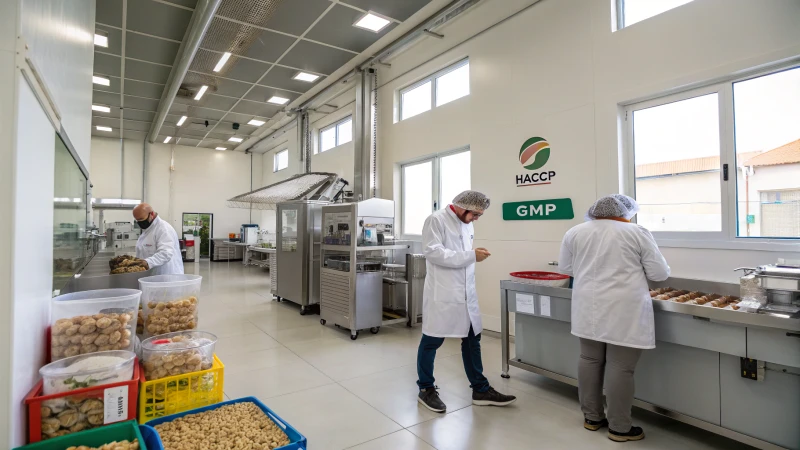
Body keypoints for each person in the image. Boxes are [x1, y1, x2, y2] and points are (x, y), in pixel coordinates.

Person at [558, 194, 670, 442]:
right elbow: (659, 273)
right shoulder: (636, 232)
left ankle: (592, 418)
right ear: (626, 211)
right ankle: (619, 427)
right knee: (621, 367)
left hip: (587, 303)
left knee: (588, 359)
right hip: (624, 308)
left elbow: (565, 269)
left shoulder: (575, 232)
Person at [416, 190, 517, 413]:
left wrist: (472, 254)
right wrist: (471, 256)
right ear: (461, 207)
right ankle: (425, 388)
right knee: (431, 341)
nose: (477, 219)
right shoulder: (436, 220)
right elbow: (434, 253)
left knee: (472, 339)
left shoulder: (467, 223)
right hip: (443, 294)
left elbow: (462, 253)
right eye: (475, 214)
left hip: (465, 294)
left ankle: (480, 389)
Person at [132, 203, 184, 275]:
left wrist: (147, 263)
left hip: (166, 277)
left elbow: (165, 253)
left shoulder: (163, 229)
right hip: (152, 276)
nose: (140, 223)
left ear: (151, 214)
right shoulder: (147, 230)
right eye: (137, 220)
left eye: (141, 219)